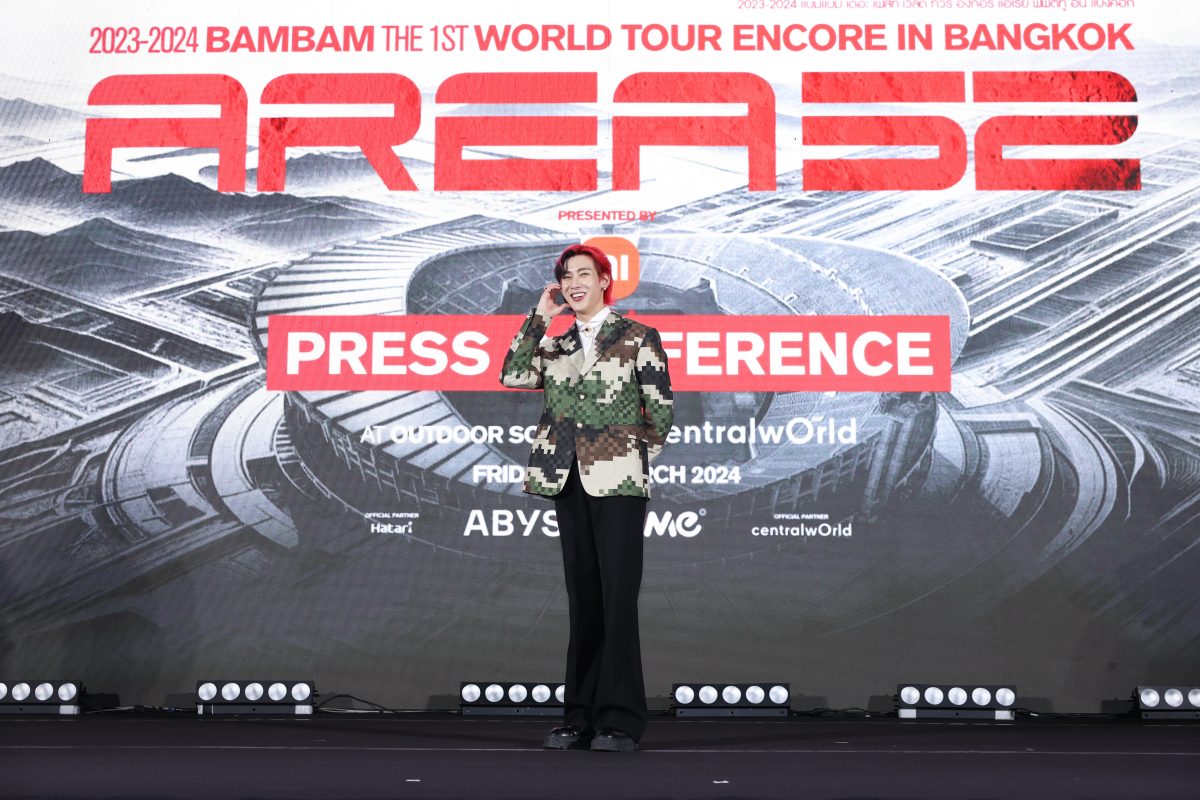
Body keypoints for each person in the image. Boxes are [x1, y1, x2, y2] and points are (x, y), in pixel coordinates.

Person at [499, 243, 674, 753]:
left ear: (604, 280)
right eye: (566, 277)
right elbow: (511, 373)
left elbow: (660, 411)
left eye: (583, 274)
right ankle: (578, 716)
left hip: (618, 481)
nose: (574, 283)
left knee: (617, 599)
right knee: (584, 599)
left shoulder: (638, 336)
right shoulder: (555, 345)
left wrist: (627, 458)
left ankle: (619, 719)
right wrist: (539, 316)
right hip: (566, 478)